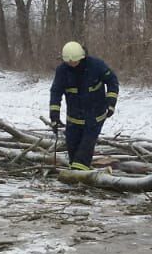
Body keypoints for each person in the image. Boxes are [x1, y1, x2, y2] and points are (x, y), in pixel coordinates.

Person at [48, 41, 119, 170]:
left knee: (83, 154)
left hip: (95, 117)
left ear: (82, 57)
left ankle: (79, 179)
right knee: (73, 154)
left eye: (75, 62)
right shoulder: (62, 71)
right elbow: (56, 92)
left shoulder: (97, 66)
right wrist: (54, 116)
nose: (72, 65)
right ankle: (76, 176)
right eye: (69, 63)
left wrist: (111, 103)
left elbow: (112, 82)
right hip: (73, 119)